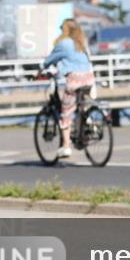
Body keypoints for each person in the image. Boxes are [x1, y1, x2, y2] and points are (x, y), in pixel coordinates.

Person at [40, 19, 95, 160]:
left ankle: (65, 146)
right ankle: (88, 122)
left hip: (74, 79)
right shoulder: (81, 43)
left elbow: (49, 60)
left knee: (66, 112)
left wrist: (39, 70)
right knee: (81, 104)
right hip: (89, 78)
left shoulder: (64, 44)